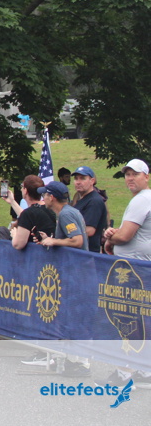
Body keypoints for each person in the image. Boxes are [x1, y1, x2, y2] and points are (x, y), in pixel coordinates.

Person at [102, 159, 151, 387]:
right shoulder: (143, 199)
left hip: (135, 272)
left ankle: (124, 373)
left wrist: (111, 237)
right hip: (138, 270)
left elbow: (125, 236)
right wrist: (113, 235)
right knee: (140, 320)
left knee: (127, 320)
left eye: (135, 174)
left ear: (146, 176)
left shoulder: (142, 199)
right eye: (127, 174)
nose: (130, 178)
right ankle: (144, 370)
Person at [7, 175, 56, 250]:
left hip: (37, 254)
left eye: (22, 186)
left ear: (25, 191)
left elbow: (18, 245)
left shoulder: (28, 214)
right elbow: (28, 217)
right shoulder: (49, 208)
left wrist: (14, 234)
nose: (21, 189)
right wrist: (12, 202)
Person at [70, 166, 108, 253]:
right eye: (76, 178)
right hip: (78, 251)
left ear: (92, 181)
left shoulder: (94, 201)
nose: (78, 182)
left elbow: (89, 230)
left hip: (88, 253)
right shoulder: (83, 199)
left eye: (82, 178)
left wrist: (65, 234)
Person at [36, 181, 85, 248]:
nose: (43, 199)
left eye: (44, 195)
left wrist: (53, 241)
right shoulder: (71, 211)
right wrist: (47, 239)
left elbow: (77, 241)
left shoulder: (65, 214)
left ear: (51, 197)